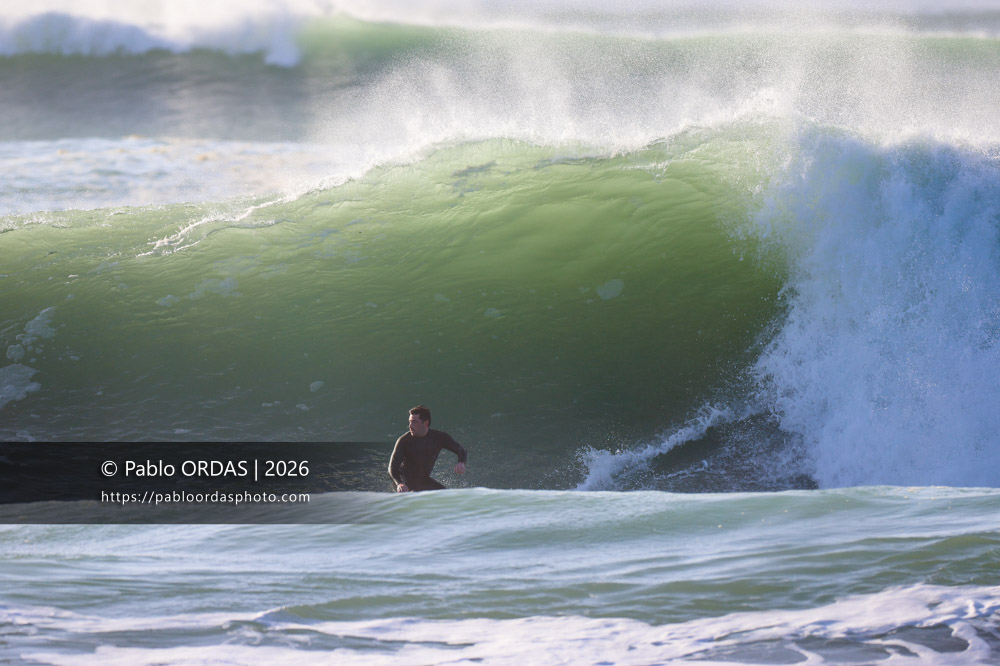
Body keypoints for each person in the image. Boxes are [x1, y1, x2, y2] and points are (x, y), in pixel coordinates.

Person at [388, 406, 467, 492]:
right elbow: (392, 468)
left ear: (425, 423)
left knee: (447, 495)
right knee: (414, 494)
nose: (410, 426)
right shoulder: (404, 441)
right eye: (409, 422)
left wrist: (461, 462)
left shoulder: (439, 437)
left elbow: (461, 449)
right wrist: (399, 483)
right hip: (405, 483)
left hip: (424, 480)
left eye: (414, 422)